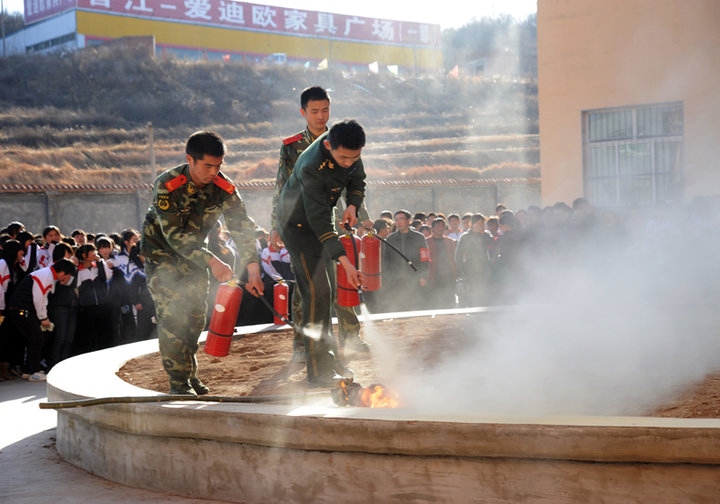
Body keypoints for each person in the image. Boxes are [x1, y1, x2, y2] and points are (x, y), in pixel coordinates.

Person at [141, 131, 263, 395]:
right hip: (162, 254)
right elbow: (174, 236)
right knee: (174, 317)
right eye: (208, 165)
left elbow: (241, 226)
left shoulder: (224, 188)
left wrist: (252, 267)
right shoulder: (168, 184)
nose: (214, 172)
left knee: (195, 318)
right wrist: (212, 260)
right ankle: (178, 381)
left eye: (218, 166)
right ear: (190, 160)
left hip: (198, 256)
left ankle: (189, 374)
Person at [271, 86, 368, 361]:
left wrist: (354, 207)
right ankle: (305, 345)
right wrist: (274, 225)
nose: (321, 116)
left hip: (332, 220)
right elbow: (282, 188)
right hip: (302, 223)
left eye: (325, 110)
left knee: (338, 285)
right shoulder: (294, 148)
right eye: (315, 111)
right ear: (304, 112)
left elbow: (356, 179)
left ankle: (349, 336)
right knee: (311, 287)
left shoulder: (347, 138)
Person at [6, 258, 77, 382]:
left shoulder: (46, 274)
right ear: (62, 272)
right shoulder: (46, 276)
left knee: (35, 338)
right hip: (22, 309)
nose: (66, 278)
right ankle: (34, 371)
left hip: (21, 309)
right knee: (37, 338)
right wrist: (43, 318)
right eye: (67, 275)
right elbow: (39, 299)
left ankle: (28, 370)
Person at [381, 210, 430, 313]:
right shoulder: (391, 239)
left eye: (401, 219)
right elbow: (386, 261)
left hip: (414, 280)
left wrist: (423, 276)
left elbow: (425, 258)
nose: (398, 222)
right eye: (397, 220)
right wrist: (388, 279)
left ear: (408, 221)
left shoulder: (419, 237)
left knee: (415, 309)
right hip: (397, 281)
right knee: (398, 309)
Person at [455, 214, 494, 307]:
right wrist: (461, 271)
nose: (482, 226)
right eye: (480, 223)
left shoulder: (486, 235)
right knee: (471, 297)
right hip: (469, 272)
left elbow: (493, 246)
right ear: (473, 224)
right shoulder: (465, 237)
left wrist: (484, 235)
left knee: (484, 296)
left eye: (483, 224)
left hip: (484, 270)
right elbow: (458, 256)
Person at [425, 217, 458, 309]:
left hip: (448, 276)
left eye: (442, 226)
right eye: (437, 226)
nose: (440, 228)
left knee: (449, 302)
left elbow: (454, 258)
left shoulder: (450, 241)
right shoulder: (427, 241)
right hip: (433, 276)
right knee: (434, 303)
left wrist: (456, 274)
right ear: (432, 228)